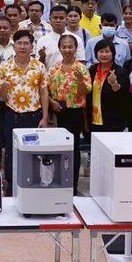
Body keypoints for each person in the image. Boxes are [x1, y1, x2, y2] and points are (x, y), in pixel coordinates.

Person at [0, 29, 49, 192]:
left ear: (32, 47)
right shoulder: (4, 67)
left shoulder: (39, 66)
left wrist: (45, 117)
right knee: (11, 153)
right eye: (19, 43)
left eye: (26, 43)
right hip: (12, 116)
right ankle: (11, 187)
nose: (23, 46)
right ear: (14, 47)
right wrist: (3, 88)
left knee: (34, 152)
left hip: (34, 116)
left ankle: (33, 186)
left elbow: (44, 92)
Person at [47, 33, 90, 186]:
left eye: (70, 47)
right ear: (59, 48)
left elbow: (86, 91)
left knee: (73, 148)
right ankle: (57, 182)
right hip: (57, 111)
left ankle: (73, 185)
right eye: (64, 47)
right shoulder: (54, 68)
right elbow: (45, 90)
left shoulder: (81, 68)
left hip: (74, 113)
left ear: (76, 48)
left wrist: (80, 81)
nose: (67, 50)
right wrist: (51, 101)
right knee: (57, 148)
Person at [88, 40, 131, 133]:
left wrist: (114, 83)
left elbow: (123, 93)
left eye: (107, 51)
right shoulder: (92, 70)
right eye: (101, 51)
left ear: (113, 53)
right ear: (96, 53)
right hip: (93, 120)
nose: (104, 55)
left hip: (112, 122)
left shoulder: (120, 71)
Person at [37, 4, 77, 70]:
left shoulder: (76, 38)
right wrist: (42, 57)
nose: (58, 20)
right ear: (50, 19)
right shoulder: (42, 40)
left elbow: (80, 61)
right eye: (55, 18)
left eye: (61, 18)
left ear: (67, 19)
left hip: (72, 75)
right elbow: (38, 66)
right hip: (49, 75)